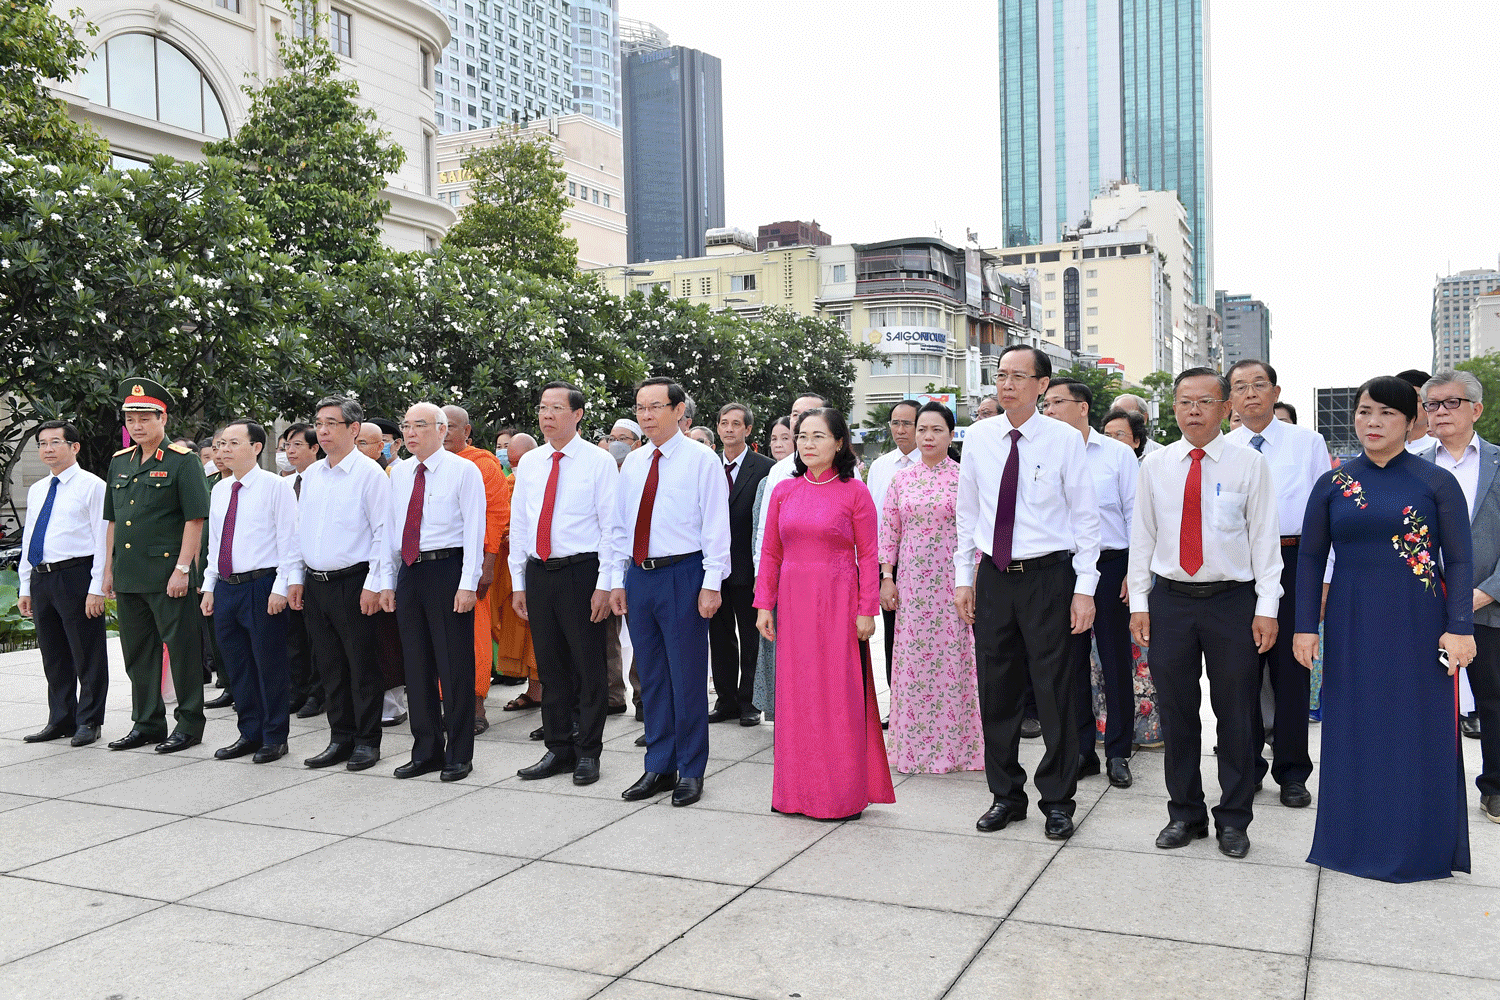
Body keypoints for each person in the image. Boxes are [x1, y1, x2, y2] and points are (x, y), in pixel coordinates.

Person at [1294, 376, 1474, 879]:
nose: (1373, 423)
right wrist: (1305, 626)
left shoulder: (1434, 481)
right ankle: (1349, 844)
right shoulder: (1334, 483)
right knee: (1353, 727)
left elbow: (1459, 560)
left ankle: (1418, 846)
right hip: (1351, 623)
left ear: (1411, 420)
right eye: (1365, 412)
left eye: (1387, 415)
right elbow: (1309, 559)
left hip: (1419, 622)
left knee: (1415, 730)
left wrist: (1460, 626)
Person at [1128, 367, 1282, 860]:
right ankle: (1185, 813)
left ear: (1224, 408)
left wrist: (1267, 607)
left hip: (1232, 602)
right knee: (1176, 712)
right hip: (1170, 600)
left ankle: (1234, 819)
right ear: (1172, 409)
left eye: (1204, 401)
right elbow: (1142, 538)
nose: (1193, 410)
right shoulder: (1155, 466)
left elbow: (1265, 541)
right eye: (1184, 402)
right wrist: (1140, 602)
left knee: (1236, 714)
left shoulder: (1248, 465)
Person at [955, 345, 1100, 840]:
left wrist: (1085, 589)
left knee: (1054, 690)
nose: (1008, 383)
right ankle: (1005, 795)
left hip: (1048, 578)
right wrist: (963, 578)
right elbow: (967, 515)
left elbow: (1085, 518)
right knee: (996, 690)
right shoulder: (977, 437)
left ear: (1041, 385)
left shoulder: (1063, 439)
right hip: (994, 575)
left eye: (1019, 376)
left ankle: (1058, 800)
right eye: (1001, 375)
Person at [756, 408, 894, 818]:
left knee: (838, 694)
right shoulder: (784, 490)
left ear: (839, 443)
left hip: (839, 600)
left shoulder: (855, 492)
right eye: (802, 437)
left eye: (818, 436)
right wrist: (765, 603)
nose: (807, 444)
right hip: (793, 601)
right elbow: (770, 552)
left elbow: (869, 556)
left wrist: (867, 609)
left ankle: (841, 793)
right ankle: (795, 792)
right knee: (796, 695)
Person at [609, 377, 731, 807]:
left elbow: (716, 526)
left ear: (679, 411)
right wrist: (617, 580)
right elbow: (619, 527)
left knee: (687, 677)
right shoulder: (635, 462)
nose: (646, 415)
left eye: (655, 406)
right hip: (641, 577)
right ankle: (659, 765)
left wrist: (712, 583)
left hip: (684, 575)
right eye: (640, 407)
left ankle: (692, 769)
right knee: (653, 676)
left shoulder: (701, 460)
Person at [1225, 360, 1329, 809]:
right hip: (1238, 567)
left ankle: (1292, 770)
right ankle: (1246, 767)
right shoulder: (1221, 447)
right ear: (1230, 398)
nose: (1250, 394)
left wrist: (1324, 579)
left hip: (1294, 559)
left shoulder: (1307, 443)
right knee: (1240, 673)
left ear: (1275, 391)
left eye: (1258, 385)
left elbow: (1327, 516)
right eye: (1240, 387)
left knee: (1291, 671)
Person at [511, 381, 620, 786]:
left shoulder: (598, 462)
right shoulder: (533, 463)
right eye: (542, 408)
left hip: (582, 573)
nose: (547, 415)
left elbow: (612, 527)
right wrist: (519, 582)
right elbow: (520, 523)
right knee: (551, 667)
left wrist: (605, 584)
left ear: (577, 414)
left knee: (588, 667)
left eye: (557, 408)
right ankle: (558, 747)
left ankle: (588, 751)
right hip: (540, 572)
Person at [103, 377, 211, 753]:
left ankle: (189, 724)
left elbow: (195, 519)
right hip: (131, 575)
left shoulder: (183, 462)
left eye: (145, 418)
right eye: (131, 419)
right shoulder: (119, 463)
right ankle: (147, 723)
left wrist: (183, 569)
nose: (137, 426)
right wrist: (107, 570)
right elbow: (114, 521)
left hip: (169, 575)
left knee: (182, 651)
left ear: (162, 418)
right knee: (138, 653)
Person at [381, 403, 487, 782]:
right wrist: (386, 581)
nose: (410, 433)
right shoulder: (400, 473)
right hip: (410, 570)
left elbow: (476, 530)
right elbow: (391, 531)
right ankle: (425, 749)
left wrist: (468, 583)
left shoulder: (464, 470)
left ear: (442, 430)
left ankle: (459, 753)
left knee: (453, 665)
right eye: (406, 426)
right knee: (416, 665)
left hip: (448, 570)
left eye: (420, 425)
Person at [1042, 377, 1139, 788]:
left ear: (1083, 408)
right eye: (1045, 404)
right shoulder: (1043, 453)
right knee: (1070, 662)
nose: (1048, 411)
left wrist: (1137, 572)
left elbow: (1137, 515)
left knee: (1116, 662)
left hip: (1112, 567)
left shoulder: (1117, 454)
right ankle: (1082, 749)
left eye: (1056, 403)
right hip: (1062, 567)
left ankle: (1118, 751)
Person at [878, 402, 983, 774]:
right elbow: (889, 531)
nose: (927, 436)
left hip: (953, 584)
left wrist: (970, 581)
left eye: (936, 430)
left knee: (954, 661)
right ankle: (911, 749)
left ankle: (957, 749)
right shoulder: (901, 480)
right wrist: (887, 577)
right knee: (913, 662)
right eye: (922, 429)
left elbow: (975, 535)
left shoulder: (964, 477)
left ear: (951, 435)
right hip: (911, 584)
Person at [1413, 370, 1499, 824]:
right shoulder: (1413, 466)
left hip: (1489, 606)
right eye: (1432, 404)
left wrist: (1481, 595)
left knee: (1494, 699)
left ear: (1476, 410)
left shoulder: (1499, 464)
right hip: (1426, 606)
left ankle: (1496, 787)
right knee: (1425, 700)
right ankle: (1427, 788)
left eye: (1451, 403)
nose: (1441, 411)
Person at [201, 419, 302, 763]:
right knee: (237, 666)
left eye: (232, 443)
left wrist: (280, 588)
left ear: (256, 448)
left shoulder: (276, 487)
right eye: (221, 444)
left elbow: (290, 541)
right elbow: (216, 541)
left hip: (262, 586)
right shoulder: (218, 489)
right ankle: (249, 732)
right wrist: (209, 586)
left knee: (268, 664)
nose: (223, 450)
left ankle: (275, 736)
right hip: (227, 587)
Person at [298, 397, 391, 772]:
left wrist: (375, 583)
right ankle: (340, 737)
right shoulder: (312, 475)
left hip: (355, 582)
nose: (322, 430)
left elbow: (384, 533)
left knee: (362, 667)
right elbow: (297, 532)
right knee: (330, 666)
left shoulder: (370, 475)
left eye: (331, 423)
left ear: (354, 429)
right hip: (316, 583)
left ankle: (367, 742)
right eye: (319, 423)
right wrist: (295, 579)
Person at [17, 421, 109, 747]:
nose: (47, 449)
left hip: (76, 575)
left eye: (55, 442)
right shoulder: (38, 488)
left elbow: (103, 540)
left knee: (88, 652)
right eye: (42, 443)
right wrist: (25, 586)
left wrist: (97, 587)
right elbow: (31, 537)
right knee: (53, 654)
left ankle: (89, 721)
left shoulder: (92, 486)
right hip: (42, 577)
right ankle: (60, 718)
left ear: (74, 447)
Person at [442, 405, 508, 736]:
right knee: (437, 636)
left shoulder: (482, 463)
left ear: (467, 431)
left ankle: (476, 703)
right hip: (433, 564)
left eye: (451, 427)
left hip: (472, 562)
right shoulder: (425, 466)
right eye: (439, 425)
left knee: (473, 635)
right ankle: (446, 702)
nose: (445, 432)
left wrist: (488, 563)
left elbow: (496, 514)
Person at [709, 402, 774, 726]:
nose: (729, 429)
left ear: (748, 430)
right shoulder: (707, 465)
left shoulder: (765, 468)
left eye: (736, 423)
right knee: (719, 639)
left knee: (750, 637)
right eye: (724, 423)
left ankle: (749, 703)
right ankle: (726, 701)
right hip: (713, 569)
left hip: (748, 569)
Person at [867, 400, 922, 691]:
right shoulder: (880, 466)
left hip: (927, 563)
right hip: (888, 564)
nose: (900, 430)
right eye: (895, 423)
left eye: (907, 423)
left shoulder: (936, 463)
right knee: (893, 635)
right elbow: (874, 518)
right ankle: (898, 700)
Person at [753, 393, 834, 574]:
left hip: (832, 573)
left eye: (810, 413)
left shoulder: (847, 471)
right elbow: (765, 529)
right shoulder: (778, 471)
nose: (801, 421)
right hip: (786, 573)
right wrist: (760, 571)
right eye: (795, 415)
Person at [751, 415, 795, 721]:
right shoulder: (770, 480)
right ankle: (776, 708)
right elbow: (761, 533)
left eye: (785, 438)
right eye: (774, 439)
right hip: (771, 573)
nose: (779, 444)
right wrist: (761, 578)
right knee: (772, 645)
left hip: (803, 577)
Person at [495, 433, 541, 706]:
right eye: (510, 462)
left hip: (542, 564)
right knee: (520, 630)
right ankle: (534, 691)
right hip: (511, 566)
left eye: (519, 461)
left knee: (540, 635)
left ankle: (546, 693)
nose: (514, 468)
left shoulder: (542, 478)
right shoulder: (508, 483)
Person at [281, 422, 323, 720]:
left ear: (314, 447)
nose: (290, 451)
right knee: (294, 635)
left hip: (320, 567)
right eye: (286, 446)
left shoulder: (322, 480)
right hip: (291, 569)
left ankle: (318, 694)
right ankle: (298, 689)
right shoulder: (283, 485)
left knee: (318, 637)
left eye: (297, 445)